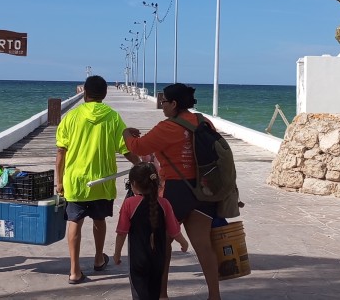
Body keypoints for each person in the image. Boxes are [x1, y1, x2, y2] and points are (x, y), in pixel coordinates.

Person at [123, 83, 222, 300]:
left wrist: (126, 134)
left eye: (164, 101)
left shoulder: (168, 127)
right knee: (204, 245)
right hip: (204, 189)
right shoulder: (204, 122)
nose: (162, 104)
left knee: (162, 244)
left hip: (176, 190)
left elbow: (138, 147)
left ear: (174, 103)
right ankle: (215, 296)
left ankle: (162, 294)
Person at [55, 75, 141, 285]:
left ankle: (74, 270)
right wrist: (140, 165)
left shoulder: (71, 117)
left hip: (75, 180)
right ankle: (98, 258)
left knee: (74, 221)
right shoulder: (112, 117)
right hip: (102, 180)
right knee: (99, 220)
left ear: (84, 92)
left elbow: (60, 152)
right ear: (104, 94)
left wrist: (59, 181)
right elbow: (125, 148)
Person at [114, 162, 182, 300]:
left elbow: (122, 232)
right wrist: (184, 243)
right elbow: (174, 230)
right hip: (159, 258)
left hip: (138, 258)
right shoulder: (164, 204)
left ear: (133, 184)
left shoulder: (129, 204)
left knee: (140, 293)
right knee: (154, 292)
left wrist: (117, 253)